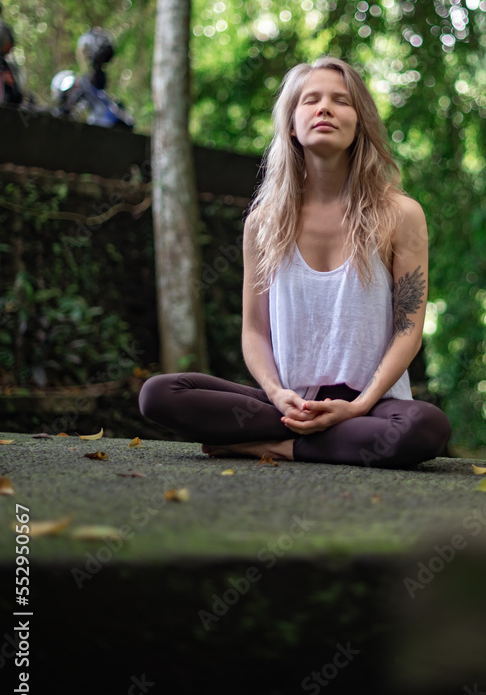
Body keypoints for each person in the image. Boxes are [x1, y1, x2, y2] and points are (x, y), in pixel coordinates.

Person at [139, 56, 451, 468]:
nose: (324, 108)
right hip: (287, 405)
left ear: (360, 123)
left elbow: (408, 329)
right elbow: (253, 330)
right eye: (311, 100)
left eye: (341, 101)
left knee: (425, 427)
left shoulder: (400, 214)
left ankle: (273, 446)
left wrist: (358, 407)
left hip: (374, 407)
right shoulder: (263, 223)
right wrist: (274, 391)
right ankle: (320, 441)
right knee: (159, 394)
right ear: (291, 123)